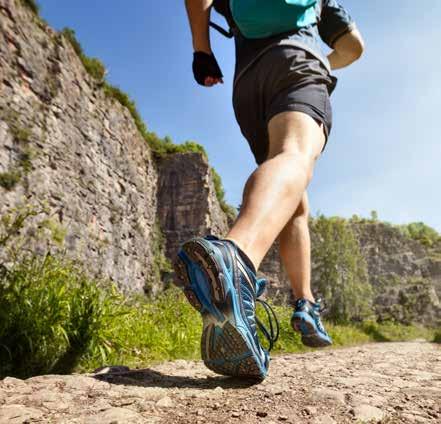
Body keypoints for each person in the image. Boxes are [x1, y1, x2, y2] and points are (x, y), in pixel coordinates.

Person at [175, 0, 364, 380]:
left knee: (290, 194)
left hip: (248, 84)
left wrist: (202, 51)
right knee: (295, 155)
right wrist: (325, 60)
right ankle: (237, 259)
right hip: (298, 61)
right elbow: (353, 47)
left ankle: (304, 301)